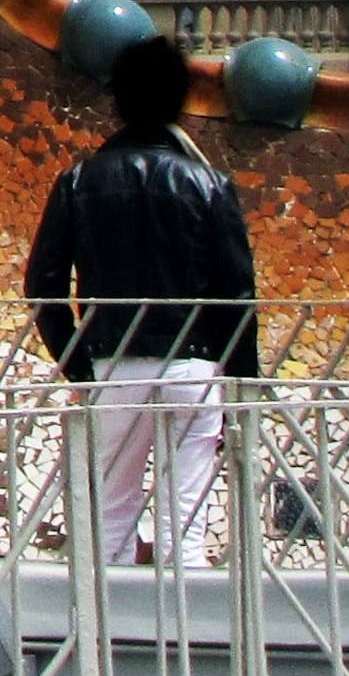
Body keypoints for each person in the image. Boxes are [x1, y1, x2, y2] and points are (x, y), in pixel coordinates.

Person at [25, 33, 260, 568]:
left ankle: (110, 638)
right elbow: (238, 293)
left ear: (119, 99)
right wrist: (240, 379)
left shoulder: (79, 180)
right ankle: (190, 638)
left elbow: (44, 284)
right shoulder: (209, 184)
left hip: (113, 360)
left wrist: (79, 362)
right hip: (194, 363)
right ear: (180, 99)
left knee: (110, 516)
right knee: (187, 522)